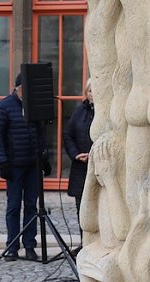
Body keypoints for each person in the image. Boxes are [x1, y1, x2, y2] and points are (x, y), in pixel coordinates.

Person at [0, 73, 50, 262]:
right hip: (14, 165)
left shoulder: (34, 106)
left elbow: (40, 134)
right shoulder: (4, 106)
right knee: (14, 206)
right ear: (18, 88)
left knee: (32, 205)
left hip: (32, 164)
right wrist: (3, 162)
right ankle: (12, 246)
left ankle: (30, 245)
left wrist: (44, 157)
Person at [62, 79, 94, 231]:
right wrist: (75, 154)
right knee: (81, 208)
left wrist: (93, 155)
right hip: (80, 168)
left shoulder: (105, 111)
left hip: (97, 167)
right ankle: (83, 244)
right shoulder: (79, 111)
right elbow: (68, 135)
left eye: (95, 90)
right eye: (89, 90)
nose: (92, 94)